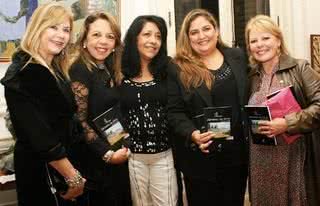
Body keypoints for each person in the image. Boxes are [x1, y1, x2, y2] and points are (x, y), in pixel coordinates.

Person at [0, 2, 85, 205]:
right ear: (38, 27)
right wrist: (74, 179)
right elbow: (42, 139)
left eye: (66, 30)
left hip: (62, 169)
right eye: (53, 27)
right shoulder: (23, 72)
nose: (61, 35)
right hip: (43, 173)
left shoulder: (55, 68)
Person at [167, 9, 249, 206]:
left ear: (217, 31)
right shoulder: (177, 67)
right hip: (200, 157)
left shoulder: (237, 56)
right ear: (187, 37)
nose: (201, 36)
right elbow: (173, 111)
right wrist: (193, 134)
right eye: (194, 32)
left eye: (206, 29)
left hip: (237, 155)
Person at [245, 15, 320, 206]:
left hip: (292, 157)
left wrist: (287, 123)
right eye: (254, 41)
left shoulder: (300, 67)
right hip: (260, 159)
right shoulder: (252, 76)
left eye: (266, 38)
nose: (260, 45)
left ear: (278, 40)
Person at [69, 12, 131, 206]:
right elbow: (79, 121)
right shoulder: (79, 69)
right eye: (96, 35)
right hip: (94, 164)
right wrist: (107, 154)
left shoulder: (109, 66)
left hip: (116, 155)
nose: (103, 41)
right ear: (84, 39)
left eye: (110, 36)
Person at [119, 15, 178, 206]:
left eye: (158, 36)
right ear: (135, 37)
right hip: (133, 158)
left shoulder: (169, 70)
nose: (153, 41)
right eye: (147, 34)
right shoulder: (119, 71)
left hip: (164, 155)